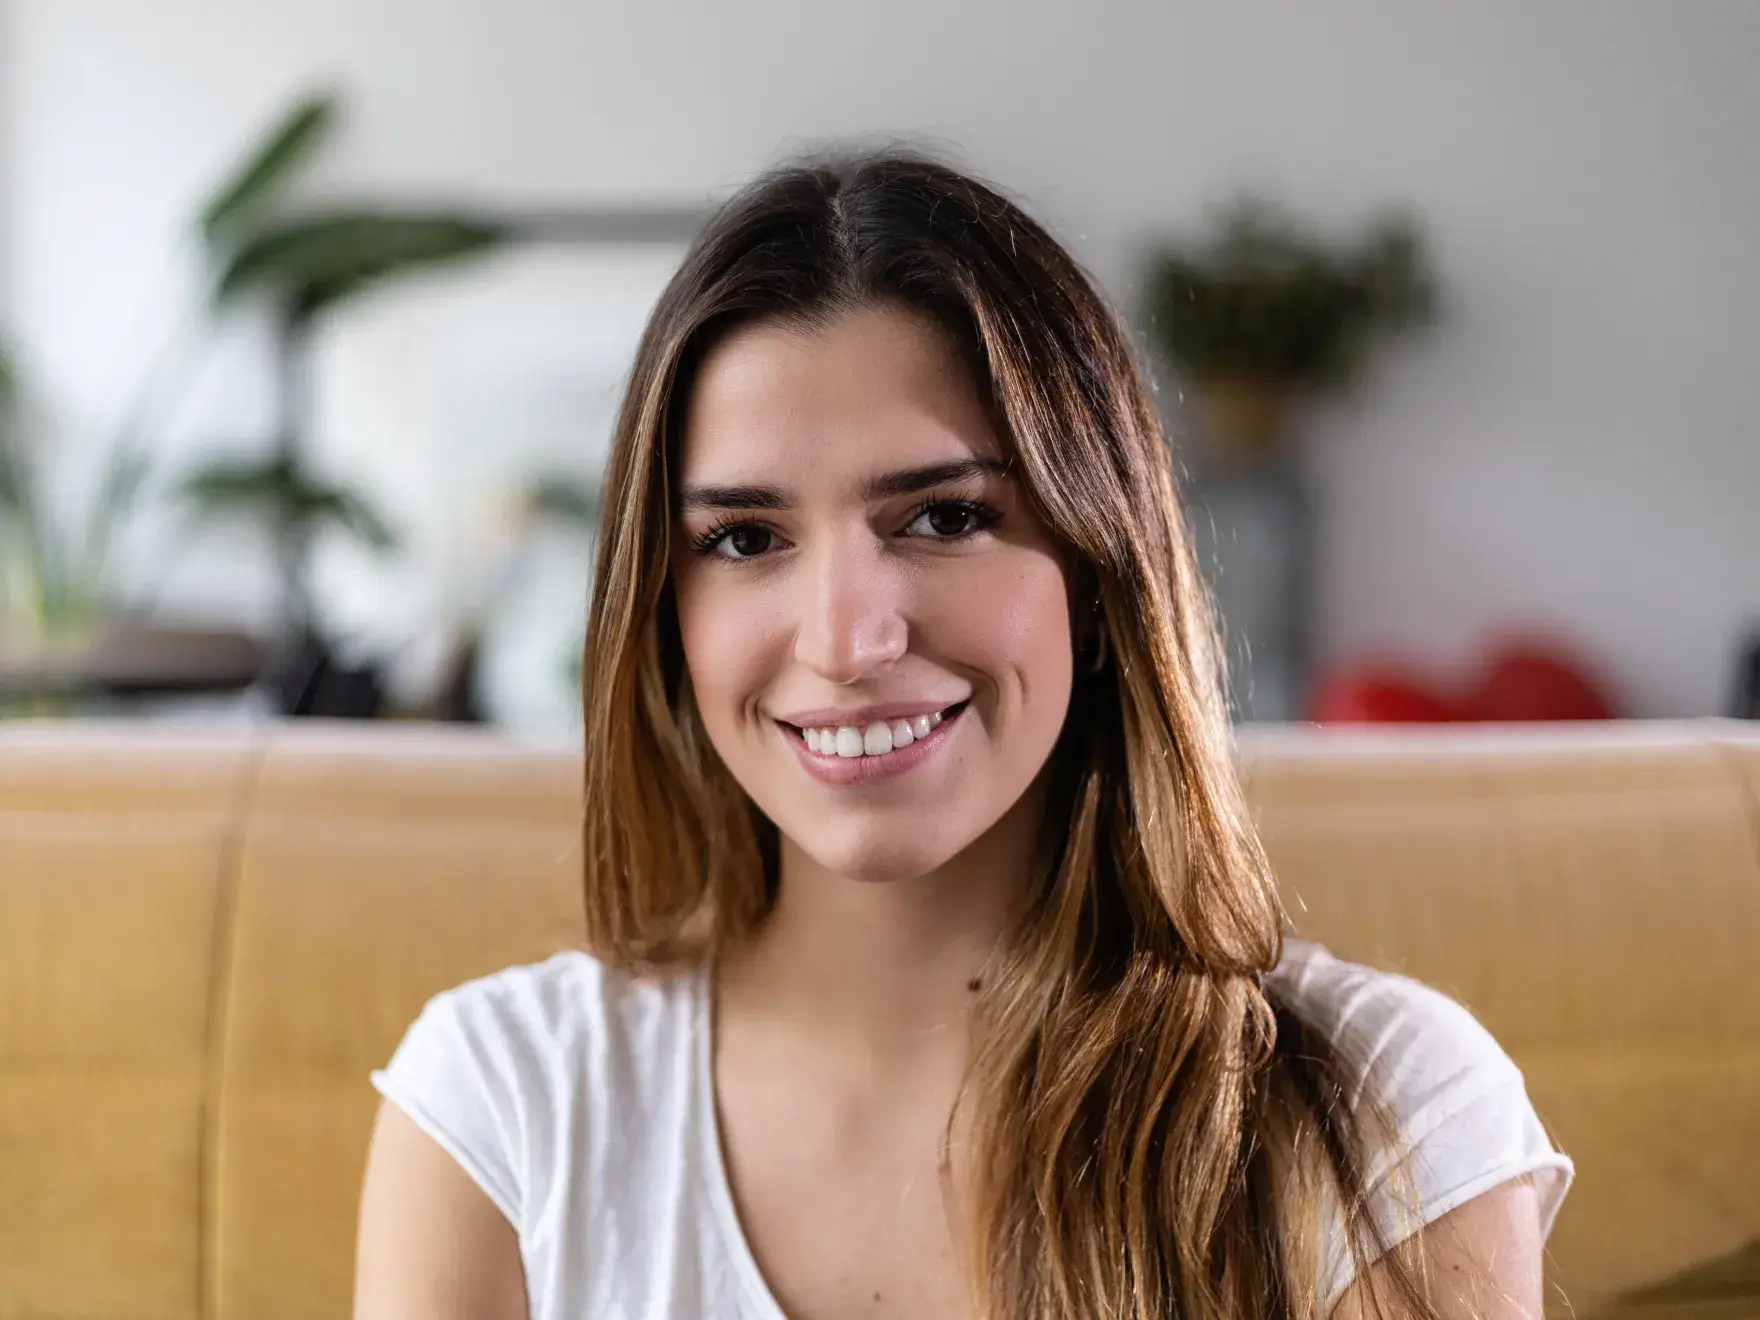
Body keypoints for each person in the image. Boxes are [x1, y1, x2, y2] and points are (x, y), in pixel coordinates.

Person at [353, 153, 1572, 1320]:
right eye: (742, 539)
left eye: (943, 516)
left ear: (1099, 577)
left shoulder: (1381, 1110)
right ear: (661, 615)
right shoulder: (505, 1104)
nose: (845, 639)